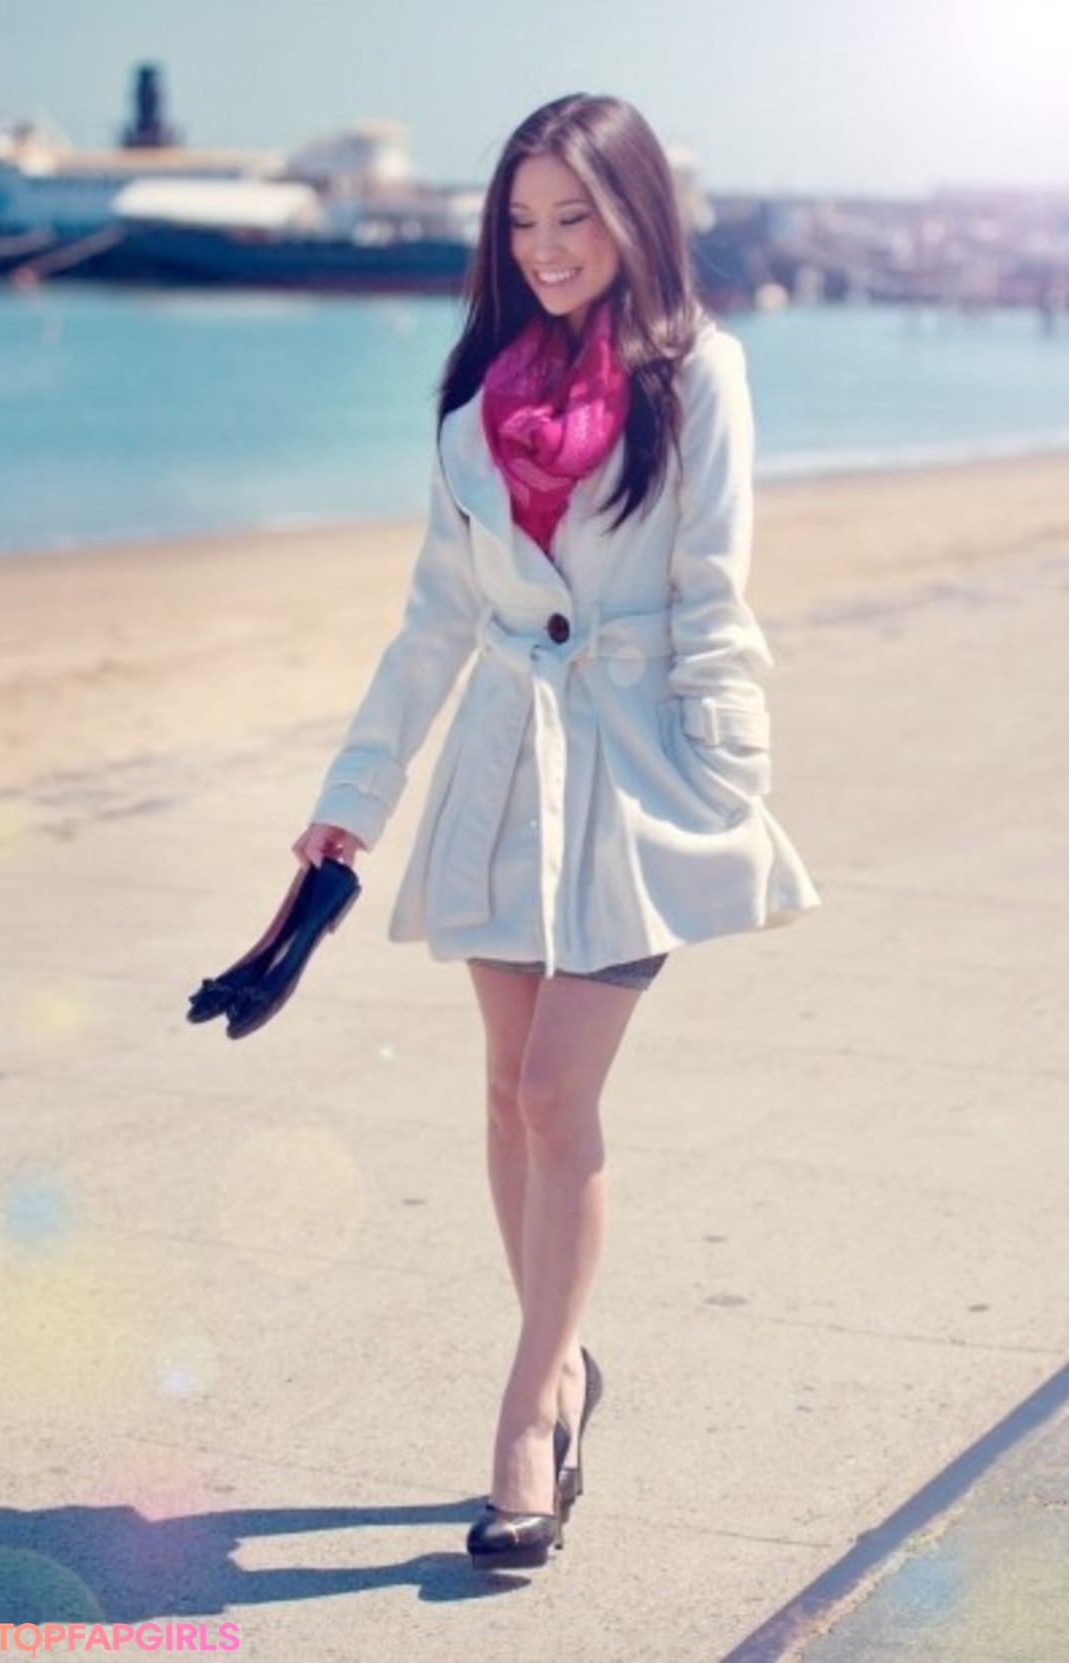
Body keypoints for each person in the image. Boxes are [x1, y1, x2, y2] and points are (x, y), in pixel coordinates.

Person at [293, 93, 819, 1570]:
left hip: (638, 771)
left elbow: (713, 589)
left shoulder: (700, 373)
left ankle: (528, 1417)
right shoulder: (476, 394)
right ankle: (570, 1363)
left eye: (575, 216)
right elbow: (436, 619)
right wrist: (354, 796)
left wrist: (726, 779)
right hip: (504, 771)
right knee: (508, 1093)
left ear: (636, 214)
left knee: (553, 1088)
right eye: (522, 221)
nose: (546, 247)